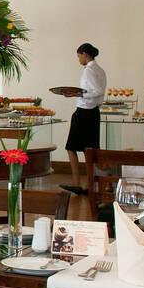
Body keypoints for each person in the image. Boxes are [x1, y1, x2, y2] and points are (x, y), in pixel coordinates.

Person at [57, 42, 106, 196]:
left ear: (85, 54)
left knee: (71, 147)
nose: (79, 60)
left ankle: (77, 182)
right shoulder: (100, 70)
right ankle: (92, 184)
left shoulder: (89, 70)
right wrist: (76, 93)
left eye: (79, 56)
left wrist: (77, 94)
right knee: (90, 149)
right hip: (94, 112)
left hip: (84, 112)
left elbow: (95, 91)